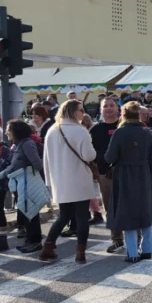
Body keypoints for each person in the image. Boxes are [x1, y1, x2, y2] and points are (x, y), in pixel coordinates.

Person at [41, 100, 98, 263]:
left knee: (64, 216)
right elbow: (89, 155)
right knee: (81, 216)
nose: (83, 113)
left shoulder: (52, 130)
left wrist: (49, 182)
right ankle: (80, 252)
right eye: (81, 110)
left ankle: (48, 246)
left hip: (59, 179)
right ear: (73, 112)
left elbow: (46, 159)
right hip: (79, 177)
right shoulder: (80, 131)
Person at [104, 101, 152, 262]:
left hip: (124, 175)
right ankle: (148, 249)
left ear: (124, 114)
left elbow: (110, 157)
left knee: (127, 212)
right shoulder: (146, 132)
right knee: (145, 210)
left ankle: (132, 252)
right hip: (143, 173)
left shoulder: (119, 133)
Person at [0, 120, 45, 252]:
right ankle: (30, 240)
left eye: (8, 129)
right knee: (26, 214)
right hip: (20, 184)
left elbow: (37, 164)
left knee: (31, 214)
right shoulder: (18, 145)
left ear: (16, 131)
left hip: (28, 183)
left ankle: (35, 241)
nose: (6, 132)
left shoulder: (27, 144)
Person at [89, 97, 123, 250]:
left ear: (117, 108)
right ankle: (116, 239)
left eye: (111, 106)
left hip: (126, 174)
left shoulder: (124, 127)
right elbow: (90, 153)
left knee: (129, 207)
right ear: (101, 110)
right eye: (105, 106)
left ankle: (137, 238)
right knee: (110, 209)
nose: (108, 108)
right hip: (105, 175)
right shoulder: (95, 130)